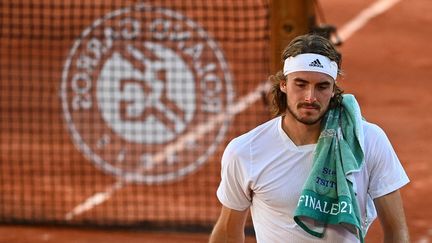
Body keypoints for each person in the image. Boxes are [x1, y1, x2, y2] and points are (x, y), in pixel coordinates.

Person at [209, 34, 409, 243]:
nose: (310, 97)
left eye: (322, 86)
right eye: (301, 84)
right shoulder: (245, 151)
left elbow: (397, 232)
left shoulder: (366, 141)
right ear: (283, 85)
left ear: (333, 90)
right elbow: (227, 232)